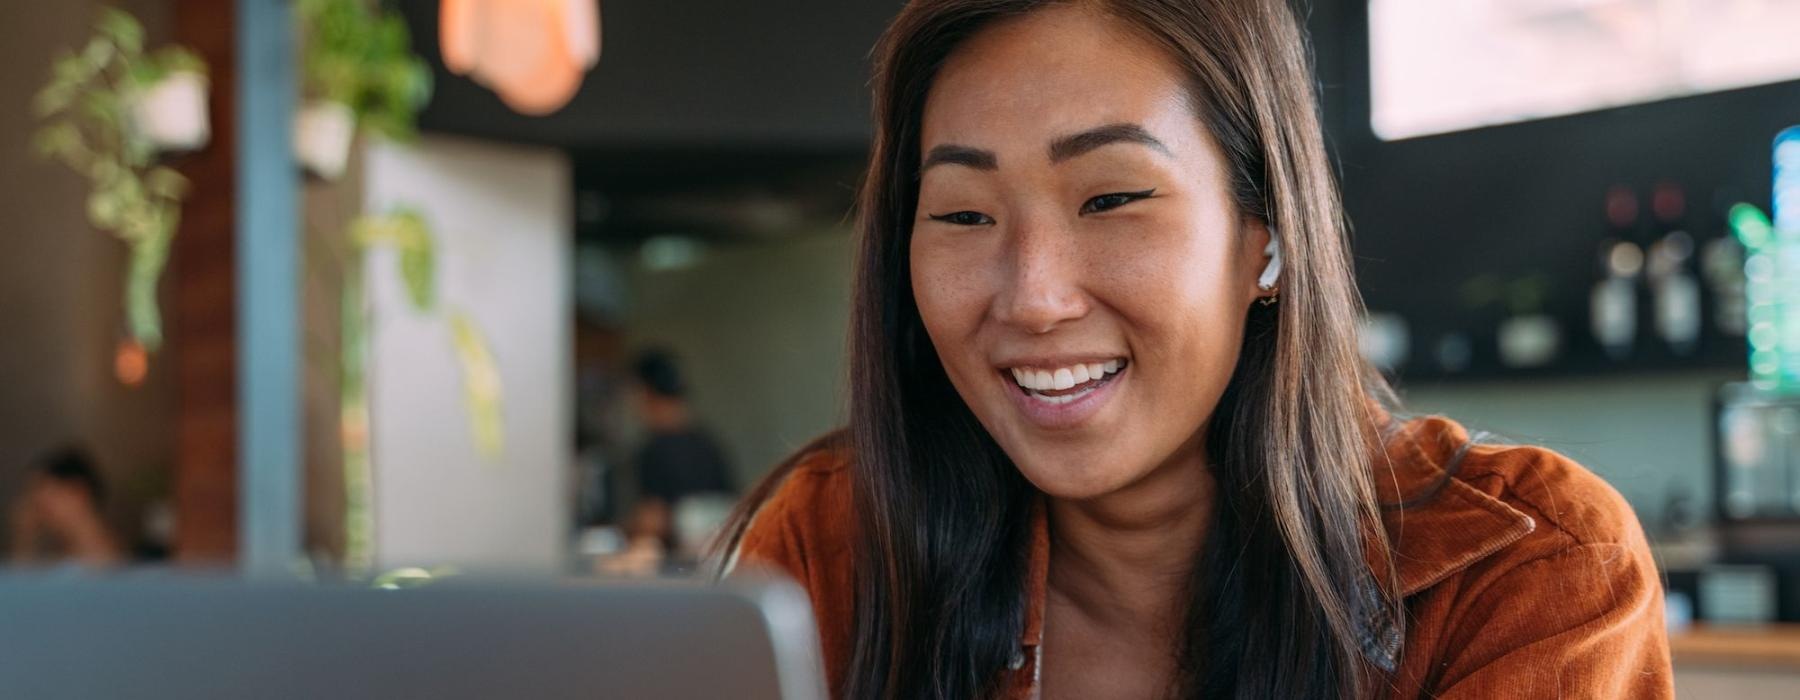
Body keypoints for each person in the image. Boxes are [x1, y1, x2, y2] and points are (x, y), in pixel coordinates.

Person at [717, 1, 1673, 698]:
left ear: (1265, 234)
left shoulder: (1526, 570)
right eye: (963, 214)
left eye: (1113, 199)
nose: (1036, 297)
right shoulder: (833, 547)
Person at [624, 349, 735, 555]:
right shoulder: (709, 444)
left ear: (644, 392)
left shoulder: (655, 450)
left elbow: (654, 520)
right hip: (717, 566)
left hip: (679, 568)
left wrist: (624, 532)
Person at [8, 446, 122, 568]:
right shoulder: (57, 561)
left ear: (78, 492)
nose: (37, 515)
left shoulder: (116, 562)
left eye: (44, 506)